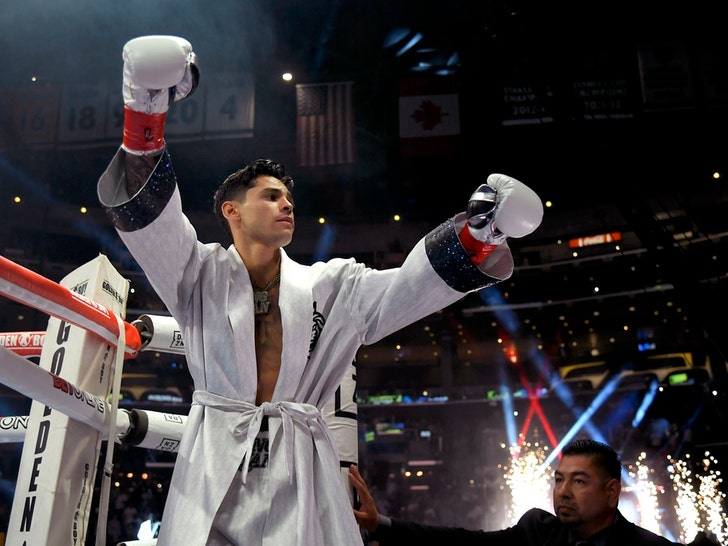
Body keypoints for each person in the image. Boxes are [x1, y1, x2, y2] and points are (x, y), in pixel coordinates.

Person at [97, 35, 543, 546]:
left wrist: (480, 235)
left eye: (289, 197)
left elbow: (407, 289)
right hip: (213, 461)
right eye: (271, 196)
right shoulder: (196, 272)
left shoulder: (334, 286)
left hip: (300, 468)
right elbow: (155, 227)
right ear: (231, 210)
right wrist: (145, 113)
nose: (287, 205)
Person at [348, 438, 720, 546]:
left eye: (579, 481)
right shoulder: (538, 531)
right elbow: (464, 543)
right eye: (559, 479)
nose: (563, 491)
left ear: (611, 493)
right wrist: (382, 524)